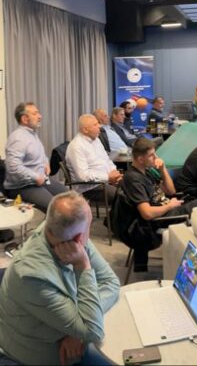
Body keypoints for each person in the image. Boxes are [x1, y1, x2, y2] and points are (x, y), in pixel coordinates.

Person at [0, 191, 120, 365]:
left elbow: (111, 282)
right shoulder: (31, 276)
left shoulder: (58, 230)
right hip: (36, 356)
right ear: (80, 237)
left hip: (66, 339)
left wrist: (78, 331)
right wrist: (83, 265)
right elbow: (93, 330)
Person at [116, 138, 197, 272]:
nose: (156, 157)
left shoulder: (147, 171)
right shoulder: (134, 179)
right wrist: (170, 206)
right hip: (158, 221)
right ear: (140, 159)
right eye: (151, 155)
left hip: (168, 210)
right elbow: (147, 213)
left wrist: (163, 170)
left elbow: (171, 191)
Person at [4, 102, 65, 212]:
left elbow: (39, 155)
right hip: (23, 186)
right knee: (57, 209)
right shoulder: (18, 138)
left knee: (72, 199)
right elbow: (13, 167)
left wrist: (46, 162)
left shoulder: (32, 135)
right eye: (35, 113)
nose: (40, 116)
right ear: (24, 119)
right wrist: (35, 177)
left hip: (40, 181)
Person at [65, 114, 123, 204]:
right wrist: (107, 177)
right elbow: (83, 176)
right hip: (90, 188)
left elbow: (107, 160)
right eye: (95, 125)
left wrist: (115, 174)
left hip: (105, 181)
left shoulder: (96, 140)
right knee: (123, 196)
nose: (99, 126)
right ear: (85, 130)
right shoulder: (76, 146)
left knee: (133, 187)